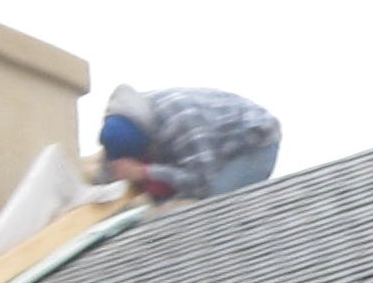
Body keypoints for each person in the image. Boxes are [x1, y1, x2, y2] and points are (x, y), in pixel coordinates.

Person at [96, 85, 281, 202]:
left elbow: (201, 182)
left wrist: (145, 172)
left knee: (210, 208)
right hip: (201, 152)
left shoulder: (181, 124)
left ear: (147, 145)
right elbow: (107, 177)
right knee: (161, 202)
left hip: (252, 143)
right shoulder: (120, 125)